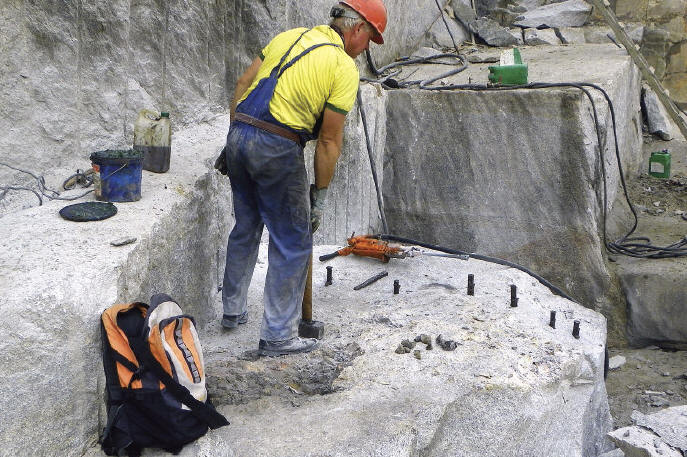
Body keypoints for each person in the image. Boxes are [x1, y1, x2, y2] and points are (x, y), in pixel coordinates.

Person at [219, 1, 388, 356]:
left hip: (239, 134)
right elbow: (328, 140)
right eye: (370, 39)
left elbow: (243, 82)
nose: (366, 49)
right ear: (357, 29)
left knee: (246, 225)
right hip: (277, 146)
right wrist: (320, 196)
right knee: (292, 241)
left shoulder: (290, 36)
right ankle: (279, 336)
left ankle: (232, 312)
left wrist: (235, 136)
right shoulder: (342, 66)